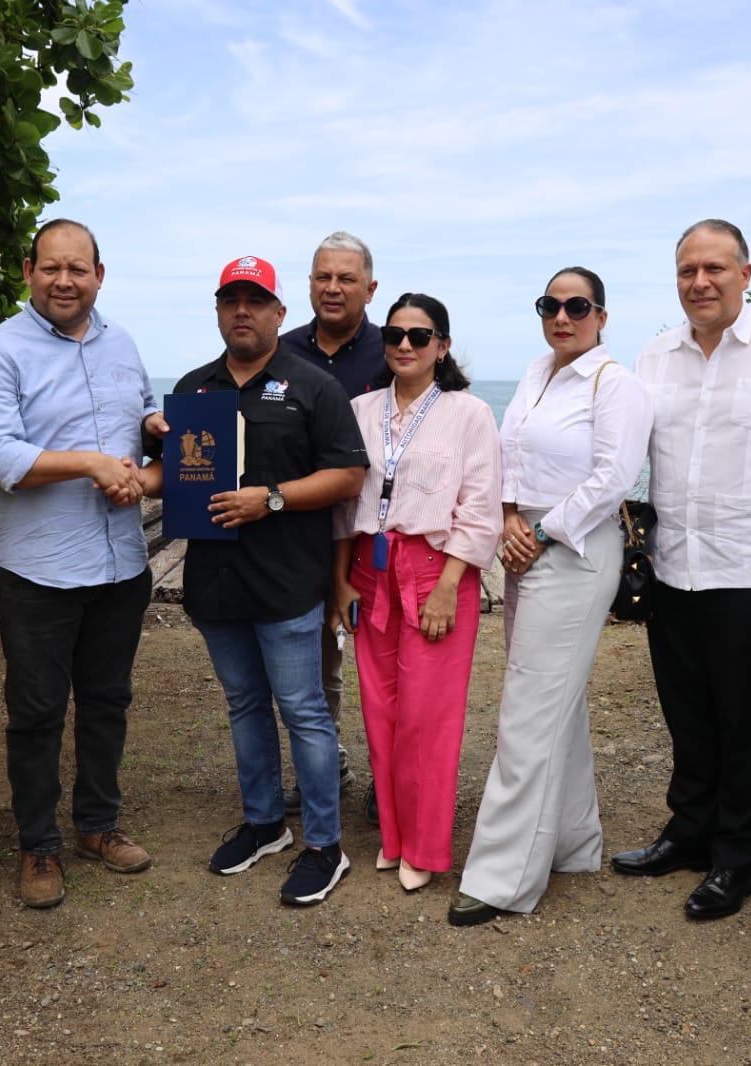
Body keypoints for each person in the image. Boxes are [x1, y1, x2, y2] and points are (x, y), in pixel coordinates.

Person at [613, 220, 751, 921]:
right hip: (673, 565)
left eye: (714, 268)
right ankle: (689, 832)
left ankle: (737, 856)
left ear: (746, 274)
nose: (700, 282)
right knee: (685, 713)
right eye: (688, 270)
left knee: (741, 719)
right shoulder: (654, 356)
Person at [0, 219, 164, 910]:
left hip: (120, 563)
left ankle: (98, 825)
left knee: (108, 701)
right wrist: (89, 463)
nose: (65, 281)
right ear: (28, 272)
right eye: (51, 268)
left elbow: (141, 411)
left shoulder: (122, 343)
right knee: (37, 712)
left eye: (78, 269)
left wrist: (152, 426)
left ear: (99, 275)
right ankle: (38, 844)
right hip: (38, 570)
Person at [448, 269, 652, 925]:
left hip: (575, 551)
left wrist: (539, 531)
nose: (562, 316)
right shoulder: (537, 372)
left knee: (529, 710)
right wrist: (510, 515)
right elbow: (511, 458)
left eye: (577, 306)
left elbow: (615, 476)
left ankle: (504, 877)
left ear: (601, 315)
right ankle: (572, 841)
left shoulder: (614, 383)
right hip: (524, 541)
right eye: (550, 305)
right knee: (554, 701)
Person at [164, 254, 367, 906]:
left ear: (280, 312)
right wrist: (127, 468)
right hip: (215, 583)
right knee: (245, 706)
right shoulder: (193, 390)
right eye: (231, 301)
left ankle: (325, 845)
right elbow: (171, 474)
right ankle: (264, 824)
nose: (242, 312)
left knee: (305, 712)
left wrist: (270, 498)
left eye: (255, 301)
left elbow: (349, 475)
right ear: (219, 311)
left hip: (287, 583)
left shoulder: (313, 387)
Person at [330, 293, 501, 893]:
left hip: (436, 572)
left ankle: (426, 847)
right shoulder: (360, 409)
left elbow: (479, 506)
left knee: (429, 717)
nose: (405, 344)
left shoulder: (469, 413)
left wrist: (450, 585)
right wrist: (340, 580)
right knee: (380, 709)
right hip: (370, 568)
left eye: (420, 336)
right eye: (395, 334)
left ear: (442, 346)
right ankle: (395, 837)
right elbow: (345, 504)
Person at [279, 231, 385, 816]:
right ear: (309, 285)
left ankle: (388, 779)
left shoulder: (395, 349)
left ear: (370, 287)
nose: (334, 288)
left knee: (383, 664)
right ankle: (327, 766)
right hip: (301, 530)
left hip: (377, 532)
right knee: (315, 664)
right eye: (324, 277)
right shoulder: (281, 351)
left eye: (347, 278)